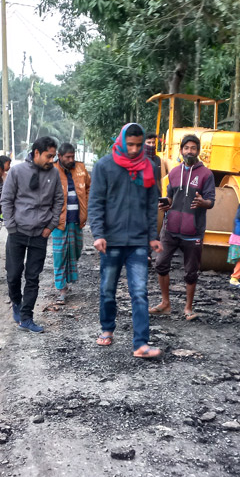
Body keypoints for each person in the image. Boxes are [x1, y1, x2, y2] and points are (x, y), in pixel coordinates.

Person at [89, 123, 162, 359]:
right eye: (130, 144)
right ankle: (107, 328)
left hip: (138, 243)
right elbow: (96, 202)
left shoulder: (149, 167)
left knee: (140, 292)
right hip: (110, 242)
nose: (134, 150)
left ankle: (140, 344)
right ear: (121, 141)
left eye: (138, 145)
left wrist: (153, 236)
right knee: (108, 289)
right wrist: (98, 233)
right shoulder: (104, 166)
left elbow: (152, 206)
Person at [1, 136, 64, 333]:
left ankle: (27, 317)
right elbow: (7, 200)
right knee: (13, 275)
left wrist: (50, 226)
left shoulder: (53, 173)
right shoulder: (17, 171)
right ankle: (17, 304)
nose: (51, 160)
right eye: (48, 156)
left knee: (33, 277)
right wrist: (11, 227)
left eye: (54, 156)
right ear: (36, 153)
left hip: (40, 234)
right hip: (17, 232)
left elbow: (59, 200)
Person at [150, 134, 216, 321]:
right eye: (186, 148)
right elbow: (170, 197)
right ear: (181, 150)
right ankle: (165, 303)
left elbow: (211, 201)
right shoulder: (174, 172)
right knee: (160, 264)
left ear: (198, 151)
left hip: (192, 231)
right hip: (170, 229)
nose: (189, 151)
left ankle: (188, 308)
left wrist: (203, 202)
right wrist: (165, 204)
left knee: (191, 271)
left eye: (193, 148)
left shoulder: (206, 174)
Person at [52, 142, 91, 304]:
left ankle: (67, 279)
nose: (71, 159)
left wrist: (86, 204)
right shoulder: (52, 170)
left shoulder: (81, 169)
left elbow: (89, 187)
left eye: (72, 156)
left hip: (77, 219)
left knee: (76, 250)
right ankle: (61, 288)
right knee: (60, 254)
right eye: (67, 157)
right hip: (59, 221)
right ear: (59, 156)